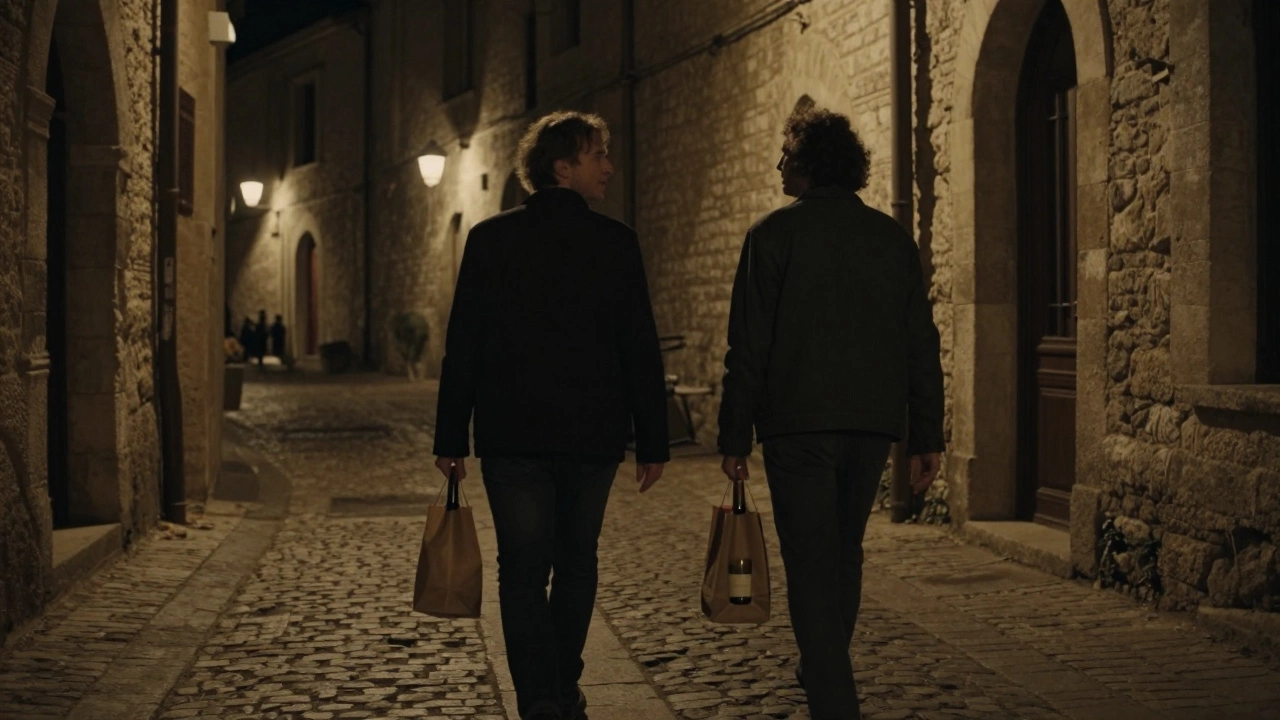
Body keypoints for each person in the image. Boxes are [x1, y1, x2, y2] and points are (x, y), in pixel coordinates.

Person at [433, 111, 669, 720]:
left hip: (512, 437)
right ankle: (563, 685)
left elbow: (465, 345)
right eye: (598, 156)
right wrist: (653, 440)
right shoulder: (617, 243)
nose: (609, 168)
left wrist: (450, 435)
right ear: (561, 167)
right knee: (577, 560)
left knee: (522, 567)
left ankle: (539, 697)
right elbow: (638, 345)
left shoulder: (489, 239)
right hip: (592, 436)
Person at [716, 107, 945, 720]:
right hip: (871, 425)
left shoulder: (770, 236)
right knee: (844, 551)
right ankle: (823, 661)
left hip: (796, 425)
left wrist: (734, 435)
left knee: (812, 560)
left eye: (786, 156)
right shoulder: (891, 239)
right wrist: (926, 433)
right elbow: (920, 341)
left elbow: (749, 346)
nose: (778, 166)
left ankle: (832, 697)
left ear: (811, 164)